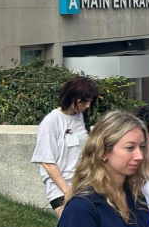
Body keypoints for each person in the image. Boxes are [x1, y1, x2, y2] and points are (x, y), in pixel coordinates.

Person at [32, 76, 100, 211]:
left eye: (90, 102)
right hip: (61, 189)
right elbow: (47, 161)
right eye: (84, 101)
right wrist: (66, 191)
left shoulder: (81, 118)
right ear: (72, 96)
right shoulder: (51, 122)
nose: (87, 106)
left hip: (85, 184)